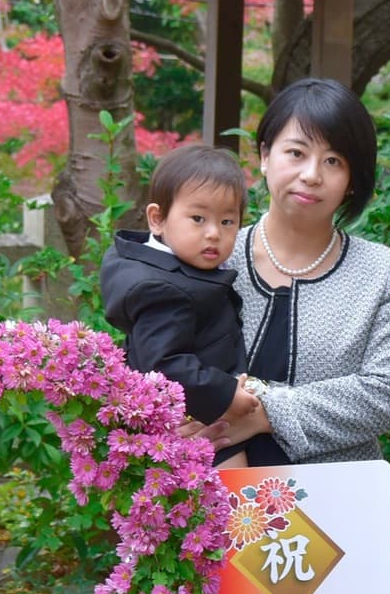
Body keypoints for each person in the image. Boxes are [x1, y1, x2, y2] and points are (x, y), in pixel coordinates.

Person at [203, 77, 390, 467]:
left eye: (334, 161)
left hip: (333, 508)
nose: (312, 174)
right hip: (208, 502)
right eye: (297, 153)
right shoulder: (213, 256)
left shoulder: (381, 272)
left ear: (352, 181)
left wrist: (261, 411)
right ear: (266, 155)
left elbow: (385, 395)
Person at [100, 142, 272, 469]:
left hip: (202, 415)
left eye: (227, 222)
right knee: (232, 507)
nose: (213, 234)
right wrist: (224, 394)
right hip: (195, 426)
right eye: (198, 218)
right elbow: (163, 362)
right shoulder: (160, 288)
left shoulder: (172, 267)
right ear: (158, 219)